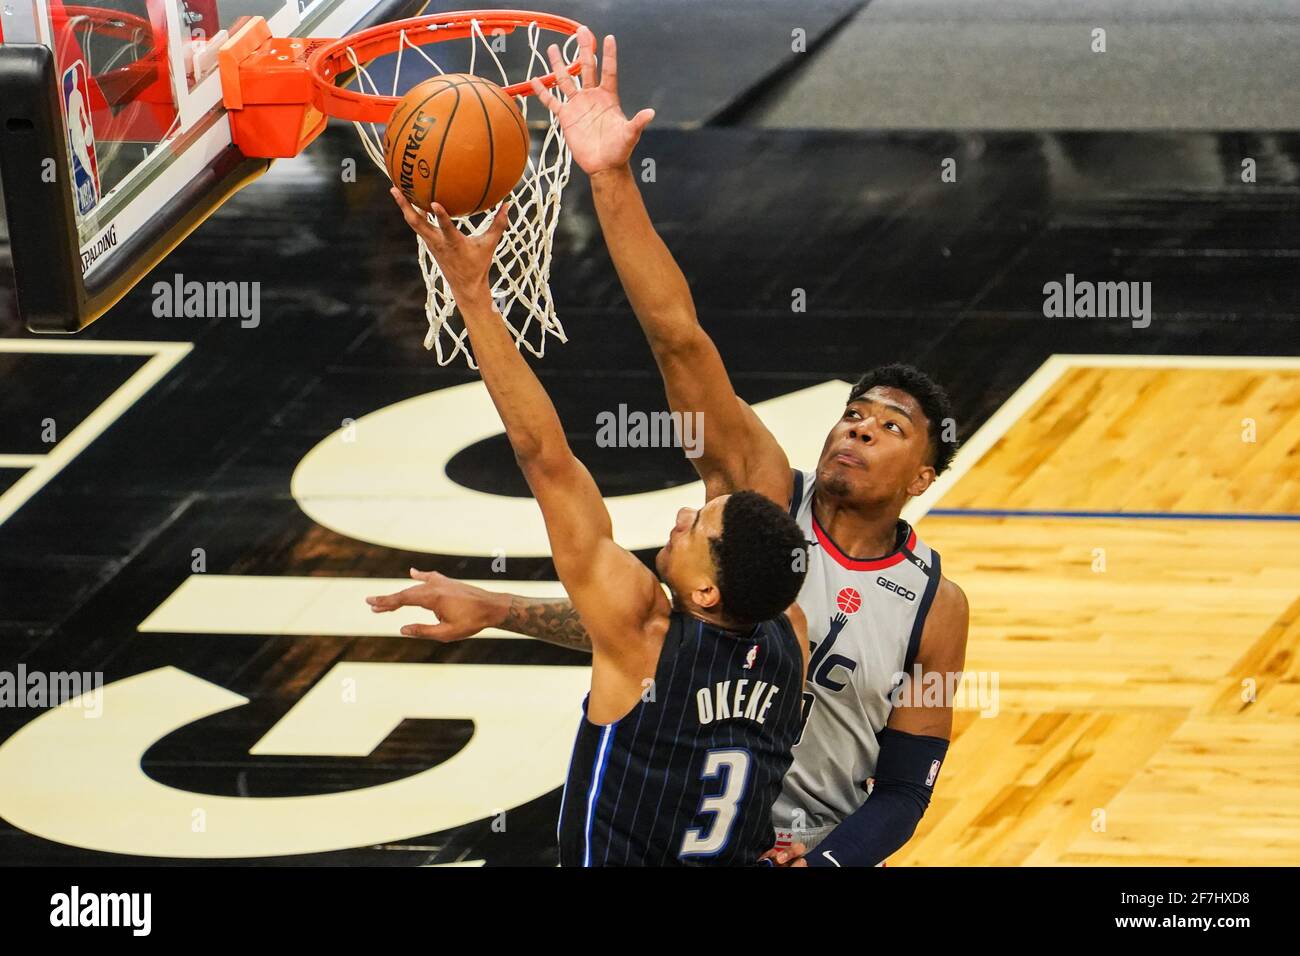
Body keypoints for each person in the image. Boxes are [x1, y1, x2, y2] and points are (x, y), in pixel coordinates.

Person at [371, 27, 970, 868]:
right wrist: (611, 180)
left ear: (926, 476)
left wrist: (829, 865)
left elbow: (907, 786)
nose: (860, 426)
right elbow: (679, 342)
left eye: (891, 426)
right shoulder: (772, 550)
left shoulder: (932, 606)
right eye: (855, 412)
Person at [381, 186, 810, 866]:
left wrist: (472, 296)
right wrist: (494, 606)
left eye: (695, 528)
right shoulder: (789, 635)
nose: (680, 515)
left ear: (706, 593)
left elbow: (545, 459)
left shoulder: (642, 630)